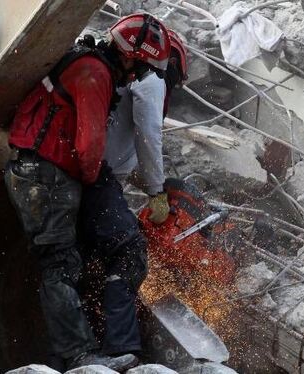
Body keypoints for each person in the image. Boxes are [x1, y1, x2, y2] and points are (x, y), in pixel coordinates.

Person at [4, 13, 170, 371]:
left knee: (121, 249)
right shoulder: (94, 74)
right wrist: (100, 190)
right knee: (60, 264)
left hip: (60, 171)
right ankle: (77, 355)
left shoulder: (93, 66)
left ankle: (116, 349)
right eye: (139, 69)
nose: (137, 78)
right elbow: (90, 145)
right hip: (45, 174)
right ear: (129, 57)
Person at [78, 27, 188, 360]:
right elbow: (148, 138)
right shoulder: (151, 83)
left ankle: (87, 343)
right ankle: (122, 347)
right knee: (128, 253)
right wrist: (156, 192)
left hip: (91, 176)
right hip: (97, 179)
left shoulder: (123, 86)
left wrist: (150, 185)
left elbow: (127, 153)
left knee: (86, 262)